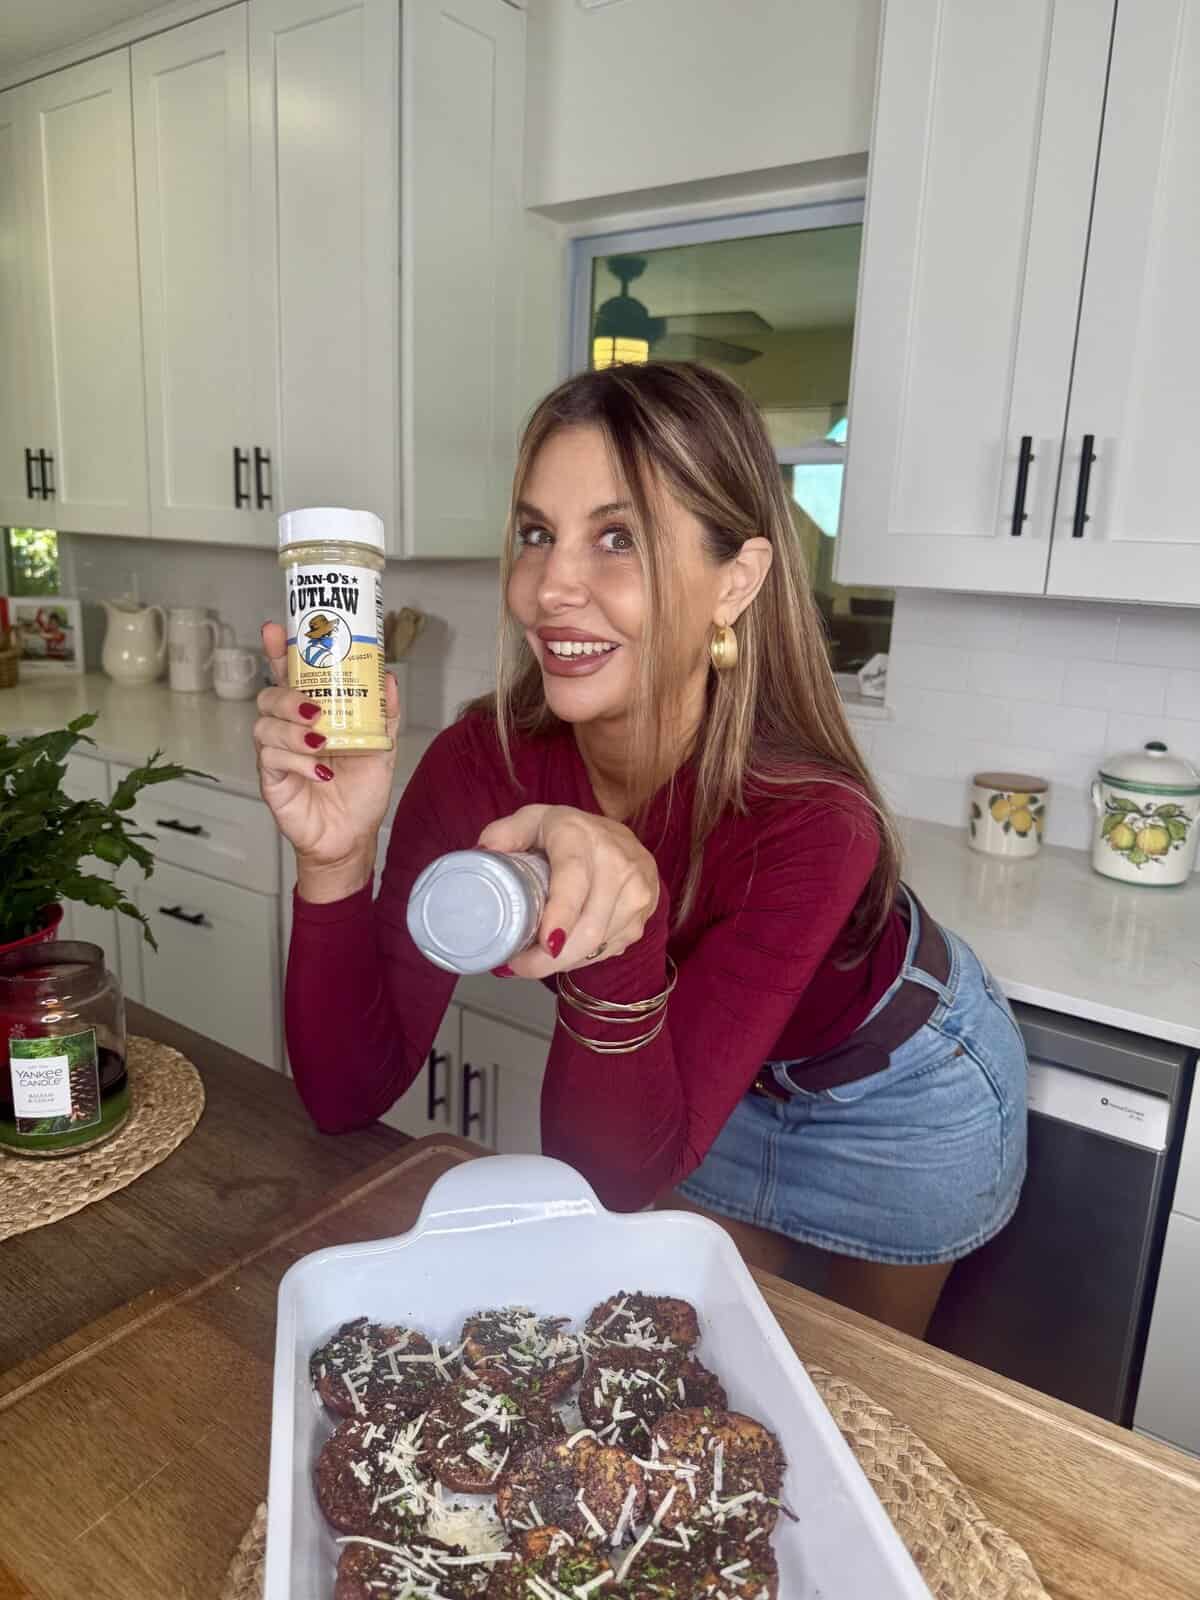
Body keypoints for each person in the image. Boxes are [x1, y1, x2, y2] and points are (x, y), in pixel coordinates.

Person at [255, 362, 1027, 1338]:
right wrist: (334, 862)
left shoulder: (813, 820)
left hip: (898, 1091)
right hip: (700, 1085)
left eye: (617, 538)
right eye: (537, 533)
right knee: (683, 1352)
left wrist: (621, 922)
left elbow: (615, 1178)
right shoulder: (484, 763)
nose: (549, 587)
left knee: (854, 1382)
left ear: (735, 581)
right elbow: (347, 1096)